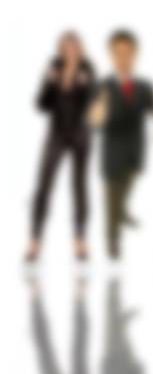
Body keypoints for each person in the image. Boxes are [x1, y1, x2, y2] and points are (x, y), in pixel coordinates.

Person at [27, 31, 95, 263]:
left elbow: (92, 105)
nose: (71, 51)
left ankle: (80, 239)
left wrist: (85, 87)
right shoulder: (53, 68)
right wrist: (50, 81)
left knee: (79, 187)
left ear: (80, 49)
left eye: (74, 47)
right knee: (44, 184)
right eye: (66, 47)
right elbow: (41, 106)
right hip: (56, 134)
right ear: (61, 50)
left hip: (80, 135)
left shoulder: (88, 69)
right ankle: (35, 240)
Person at [92, 29, 153, 261]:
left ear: (136, 54)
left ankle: (122, 214)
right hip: (113, 151)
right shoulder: (103, 86)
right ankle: (113, 241)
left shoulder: (144, 85)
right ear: (111, 55)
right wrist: (97, 113)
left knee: (126, 190)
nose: (123, 58)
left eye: (128, 53)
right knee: (112, 199)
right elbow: (94, 121)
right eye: (118, 53)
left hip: (136, 151)